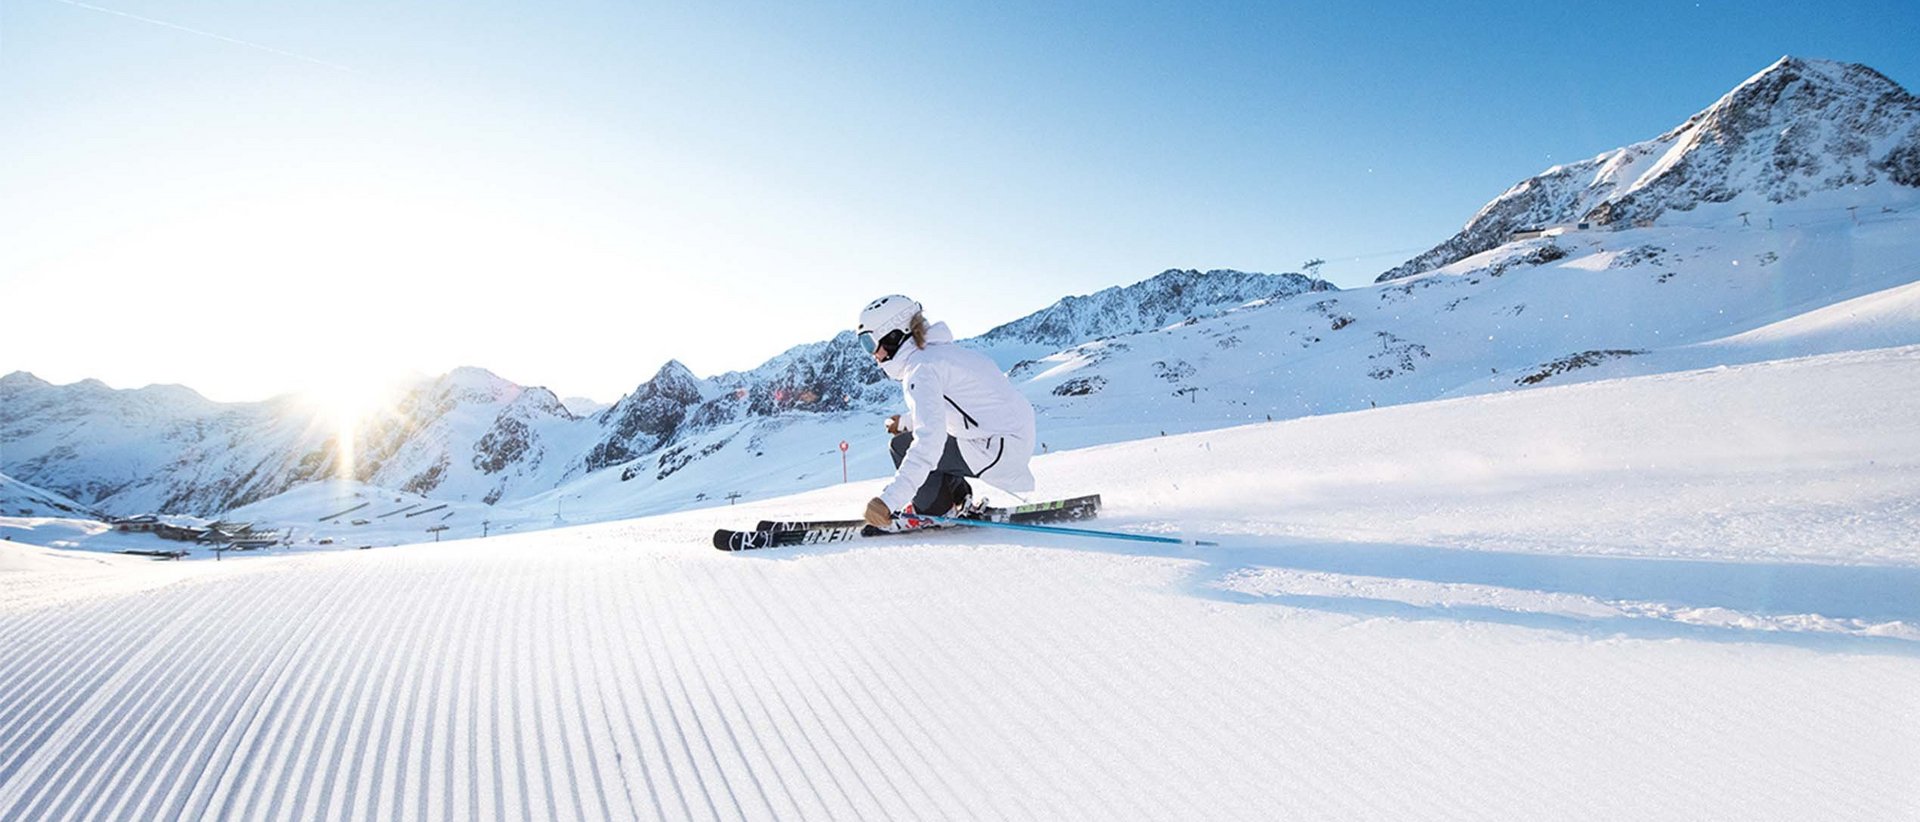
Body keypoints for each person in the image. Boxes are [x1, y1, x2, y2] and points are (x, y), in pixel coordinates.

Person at [857, 295, 1036, 529]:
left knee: (902, 446)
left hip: (996, 448)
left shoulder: (921, 369)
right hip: (1010, 439)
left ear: (893, 335)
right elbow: (958, 408)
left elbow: (929, 441)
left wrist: (889, 501)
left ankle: (933, 512)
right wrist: (907, 422)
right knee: (930, 438)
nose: (872, 355)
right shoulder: (943, 355)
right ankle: (959, 499)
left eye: (869, 343)